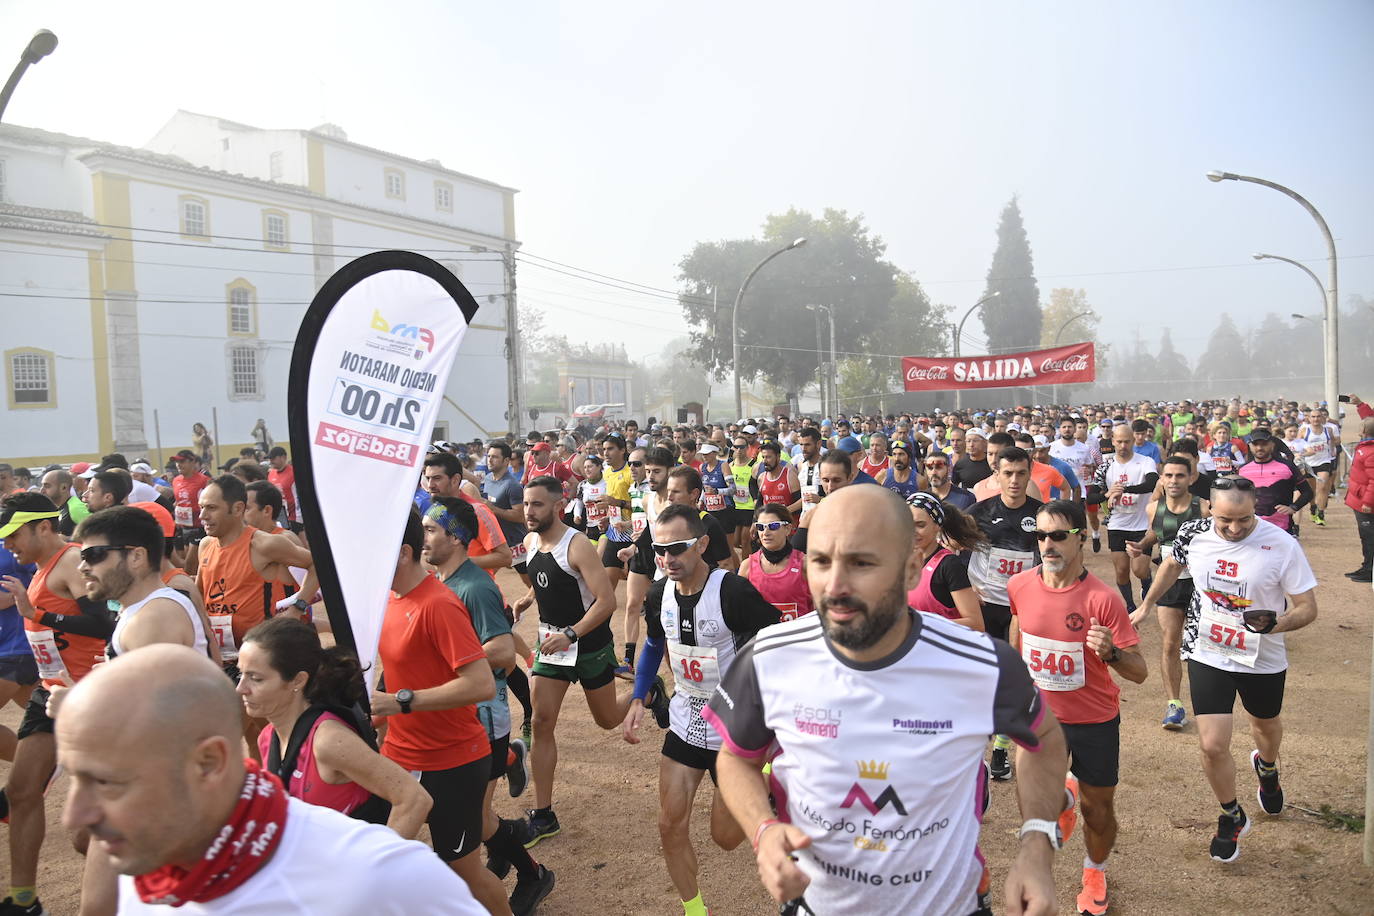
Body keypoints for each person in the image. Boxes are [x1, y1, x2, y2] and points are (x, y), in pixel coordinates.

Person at [704, 485, 1068, 916]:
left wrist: (1036, 846)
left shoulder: (980, 663)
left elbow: (1045, 739)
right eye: (820, 561)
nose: (835, 586)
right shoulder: (769, 657)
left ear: (911, 570)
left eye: (861, 563)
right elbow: (736, 757)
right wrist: (764, 831)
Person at [56, 644, 484, 914]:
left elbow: (412, 798)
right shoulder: (144, 880)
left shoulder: (377, 877)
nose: (72, 816)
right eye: (74, 778)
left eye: (109, 782)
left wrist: (378, 869)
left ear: (209, 763)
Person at [1136, 476, 1318, 863]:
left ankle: (1266, 767)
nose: (1234, 529)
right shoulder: (1193, 533)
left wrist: (1276, 625)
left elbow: (1308, 608)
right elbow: (1172, 564)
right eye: (1225, 521)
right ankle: (1231, 814)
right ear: (1210, 510)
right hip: (1210, 650)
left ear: (1255, 510)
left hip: (1262, 656)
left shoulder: (1281, 544)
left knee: (1265, 726)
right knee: (1211, 744)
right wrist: (1147, 605)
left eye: (1244, 520)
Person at [622, 504, 779, 916]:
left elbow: (777, 645)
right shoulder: (658, 594)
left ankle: (766, 775)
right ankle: (695, 910)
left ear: (703, 544)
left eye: (677, 548)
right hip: (686, 721)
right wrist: (639, 696)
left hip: (735, 731)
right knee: (668, 825)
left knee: (725, 838)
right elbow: (654, 643)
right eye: (659, 550)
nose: (667, 559)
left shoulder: (733, 592)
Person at [1008, 500, 1147, 916]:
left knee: (1097, 811)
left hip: (1093, 721)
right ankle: (1061, 802)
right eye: (1040, 536)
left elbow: (1139, 672)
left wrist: (1113, 654)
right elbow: (1019, 629)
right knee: (1035, 805)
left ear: (1081, 538)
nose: (1047, 544)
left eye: (1057, 535)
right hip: (1040, 720)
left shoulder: (1103, 600)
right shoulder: (1020, 585)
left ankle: (1095, 871)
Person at [371, 509, 509, 913]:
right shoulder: (388, 599)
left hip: (453, 762)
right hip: (399, 756)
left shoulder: (438, 604)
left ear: (403, 553)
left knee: (463, 872)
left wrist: (401, 702)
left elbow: (481, 684)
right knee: (377, 862)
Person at [422, 498, 555, 913]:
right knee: (473, 815)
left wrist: (449, 663)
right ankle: (506, 842)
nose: (423, 538)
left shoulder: (475, 587)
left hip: (482, 719)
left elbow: (501, 652)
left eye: (431, 530)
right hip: (456, 717)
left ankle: (533, 874)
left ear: (456, 538)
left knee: (475, 819)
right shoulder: (441, 580)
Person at [0, 493, 118, 916]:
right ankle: (24, 900)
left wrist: (38, 615)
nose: (8, 544)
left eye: (14, 535)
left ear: (44, 527)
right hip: (50, 693)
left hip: (92, 695)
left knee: (90, 834)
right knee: (21, 791)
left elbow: (104, 624)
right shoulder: (40, 567)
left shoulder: (71, 561)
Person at [514, 475, 631, 847]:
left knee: (608, 719)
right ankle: (544, 814)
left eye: (537, 504)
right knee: (541, 720)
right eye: (526, 503)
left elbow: (606, 601)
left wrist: (572, 633)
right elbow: (547, 579)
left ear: (557, 506)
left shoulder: (577, 545)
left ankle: (648, 691)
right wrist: (529, 598)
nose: (529, 511)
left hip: (589, 644)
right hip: (552, 644)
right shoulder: (530, 541)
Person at [239, 616, 431, 835]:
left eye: (256, 678)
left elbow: (414, 799)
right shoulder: (268, 737)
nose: (241, 688)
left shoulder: (329, 741)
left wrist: (378, 857)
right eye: (240, 673)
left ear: (298, 680)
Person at [196, 475, 314, 676]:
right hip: (223, 659)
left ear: (237, 509)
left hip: (266, 657)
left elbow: (317, 565)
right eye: (201, 507)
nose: (202, 516)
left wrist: (298, 607)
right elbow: (200, 594)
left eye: (211, 508)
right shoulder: (206, 545)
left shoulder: (264, 544)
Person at [1127, 457, 1210, 730]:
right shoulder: (1153, 507)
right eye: (1169, 476)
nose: (1173, 481)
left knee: (1200, 646)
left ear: (1191, 478)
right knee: (1170, 643)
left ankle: (1208, 703)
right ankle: (1174, 705)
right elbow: (1156, 532)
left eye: (1180, 476)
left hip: (1200, 585)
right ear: (1161, 479)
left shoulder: (1204, 507)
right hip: (1169, 584)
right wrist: (1140, 545)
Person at [1096, 424, 1159, 613]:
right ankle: (1130, 606)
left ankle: (1146, 581)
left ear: (1133, 441)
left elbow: (1152, 483)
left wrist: (1124, 489)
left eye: (1127, 442)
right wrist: (1107, 494)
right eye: (1119, 442)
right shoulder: (1106, 466)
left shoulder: (1145, 462)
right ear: (1113, 441)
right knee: (1122, 571)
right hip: (1117, 524)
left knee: (1139, 570)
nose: (1123, 446)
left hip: (1142, 525)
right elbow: (1091, 496)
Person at [905, 492, 985, 630]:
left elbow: (976, 624)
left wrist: (921, 623)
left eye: (920, 525)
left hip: (939, 643)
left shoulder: (949, 565)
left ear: (937, 526)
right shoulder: (899, 559)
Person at [738, 503, 811, 622]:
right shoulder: (747, 566)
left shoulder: (805, 564)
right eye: (760, 527)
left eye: (773, 526)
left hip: (800, 633)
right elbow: (740, 609)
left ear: (788, 529)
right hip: (762, 634)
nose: (765, 532)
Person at [1237, 427, 1312, 534]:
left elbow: (1307, 492)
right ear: (1249, 445)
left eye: (1264, 444)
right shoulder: (1242, 470)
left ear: (1272, 445)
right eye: (1255, 444)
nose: (1259, 448)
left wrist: (1294, 507)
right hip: (1250, 530)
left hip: (1282, 529)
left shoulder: (1287, 466)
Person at [1344, 410, 1374, 582]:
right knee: (1366, 536)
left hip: (1366, 502)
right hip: (1359, 498)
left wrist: (1368, 502)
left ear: (1363, 430)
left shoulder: (1370, 451)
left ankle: (1369, 570)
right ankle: (1366, 566)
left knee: (1369, 537)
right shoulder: (1365, 447)